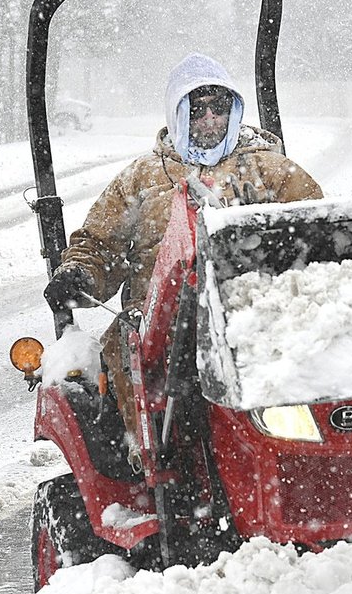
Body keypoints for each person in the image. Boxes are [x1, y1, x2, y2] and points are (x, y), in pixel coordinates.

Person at [43, 53, 323, 438]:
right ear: (178, 114)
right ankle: (147, 454)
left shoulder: (270, 172)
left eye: (218, 108)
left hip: (253, 310)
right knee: (127, 359)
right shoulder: (143, 178)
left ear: (234, 109)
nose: (209, 120)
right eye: (197, 110)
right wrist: (79, 273)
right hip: (158, 324)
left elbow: (319, 235)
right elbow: (99, 245)